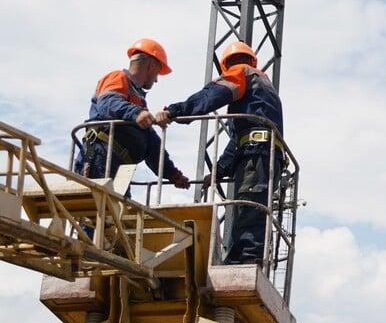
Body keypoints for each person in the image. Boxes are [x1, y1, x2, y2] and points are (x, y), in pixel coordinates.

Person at [157, 41, 283, 265]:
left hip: (257, 154)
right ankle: (238, 260)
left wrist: (176, 111)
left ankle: (245, 262)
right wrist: (218, 172)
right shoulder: (262, 90)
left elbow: (211, 96)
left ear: (226, 65)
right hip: (260, 153)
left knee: (249, 207)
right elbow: (239, 139)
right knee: (248, 206)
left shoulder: (243, 73)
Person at [74, 38, 190, 190]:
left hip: (119, 167)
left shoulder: (139, 101)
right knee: (99, 208)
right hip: (100, 157)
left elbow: (152, 144)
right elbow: (107, 102)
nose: (156, 80)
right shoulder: (118, 78)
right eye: (157, 73)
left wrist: (173, 175)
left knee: (117, 209)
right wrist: (136, 113)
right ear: (151, 65)